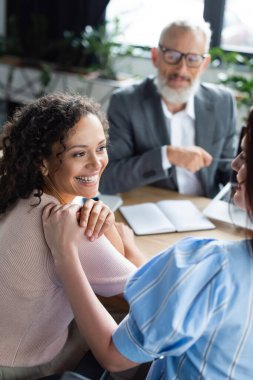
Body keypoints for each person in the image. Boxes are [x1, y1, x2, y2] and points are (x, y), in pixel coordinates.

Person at [42, 107, 253, 379]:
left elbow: (113, 357)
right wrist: (129, 249)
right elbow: (173, 295)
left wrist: (65, 255)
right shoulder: (205, 271)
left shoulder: (209, 266)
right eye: (80, 152)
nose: (234, 164)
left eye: (246, 156)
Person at [0, 94, 145, 380]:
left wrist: (102, 223)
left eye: (101, 148)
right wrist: (128, 244)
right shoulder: (70, 226)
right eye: (79, 154)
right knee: (136, 334)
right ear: (43, 162)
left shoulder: (17, 191)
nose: (97, 163)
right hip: (23, 367)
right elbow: (150, 294)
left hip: (9, 343)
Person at [99, 19, 237, 198]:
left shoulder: (223, 103)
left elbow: (230, 175)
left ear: (204, 64)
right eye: (172, 56)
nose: (181, 69)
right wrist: (167, 155)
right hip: (149, 211)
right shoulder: (126, 102)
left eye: (193, 59)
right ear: (155, 57)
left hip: (205, 213)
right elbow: (108, 180)